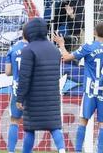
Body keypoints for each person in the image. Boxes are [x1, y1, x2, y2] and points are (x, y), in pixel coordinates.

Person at [55, 22, 103, 153]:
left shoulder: (88, 47)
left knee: (83, 120)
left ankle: (78, 150)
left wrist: (61, 44)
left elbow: (66, 57)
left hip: (90, 91)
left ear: (94, 32)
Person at [15, 18, 67, 153]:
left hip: (34, 97)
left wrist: (20, 97)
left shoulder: (28, 50)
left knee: (30, 128)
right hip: (52, 95)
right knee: (55, 126)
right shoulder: (54, 50)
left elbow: (24, 77)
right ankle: (62, 150)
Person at [3, 33, 28, 153]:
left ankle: (11, 151)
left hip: (17, 87)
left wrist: (18, 72)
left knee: (14, 120)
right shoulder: (36, 47)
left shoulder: (13, 48)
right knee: (30, 122)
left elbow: (7, 72)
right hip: (32, 88)